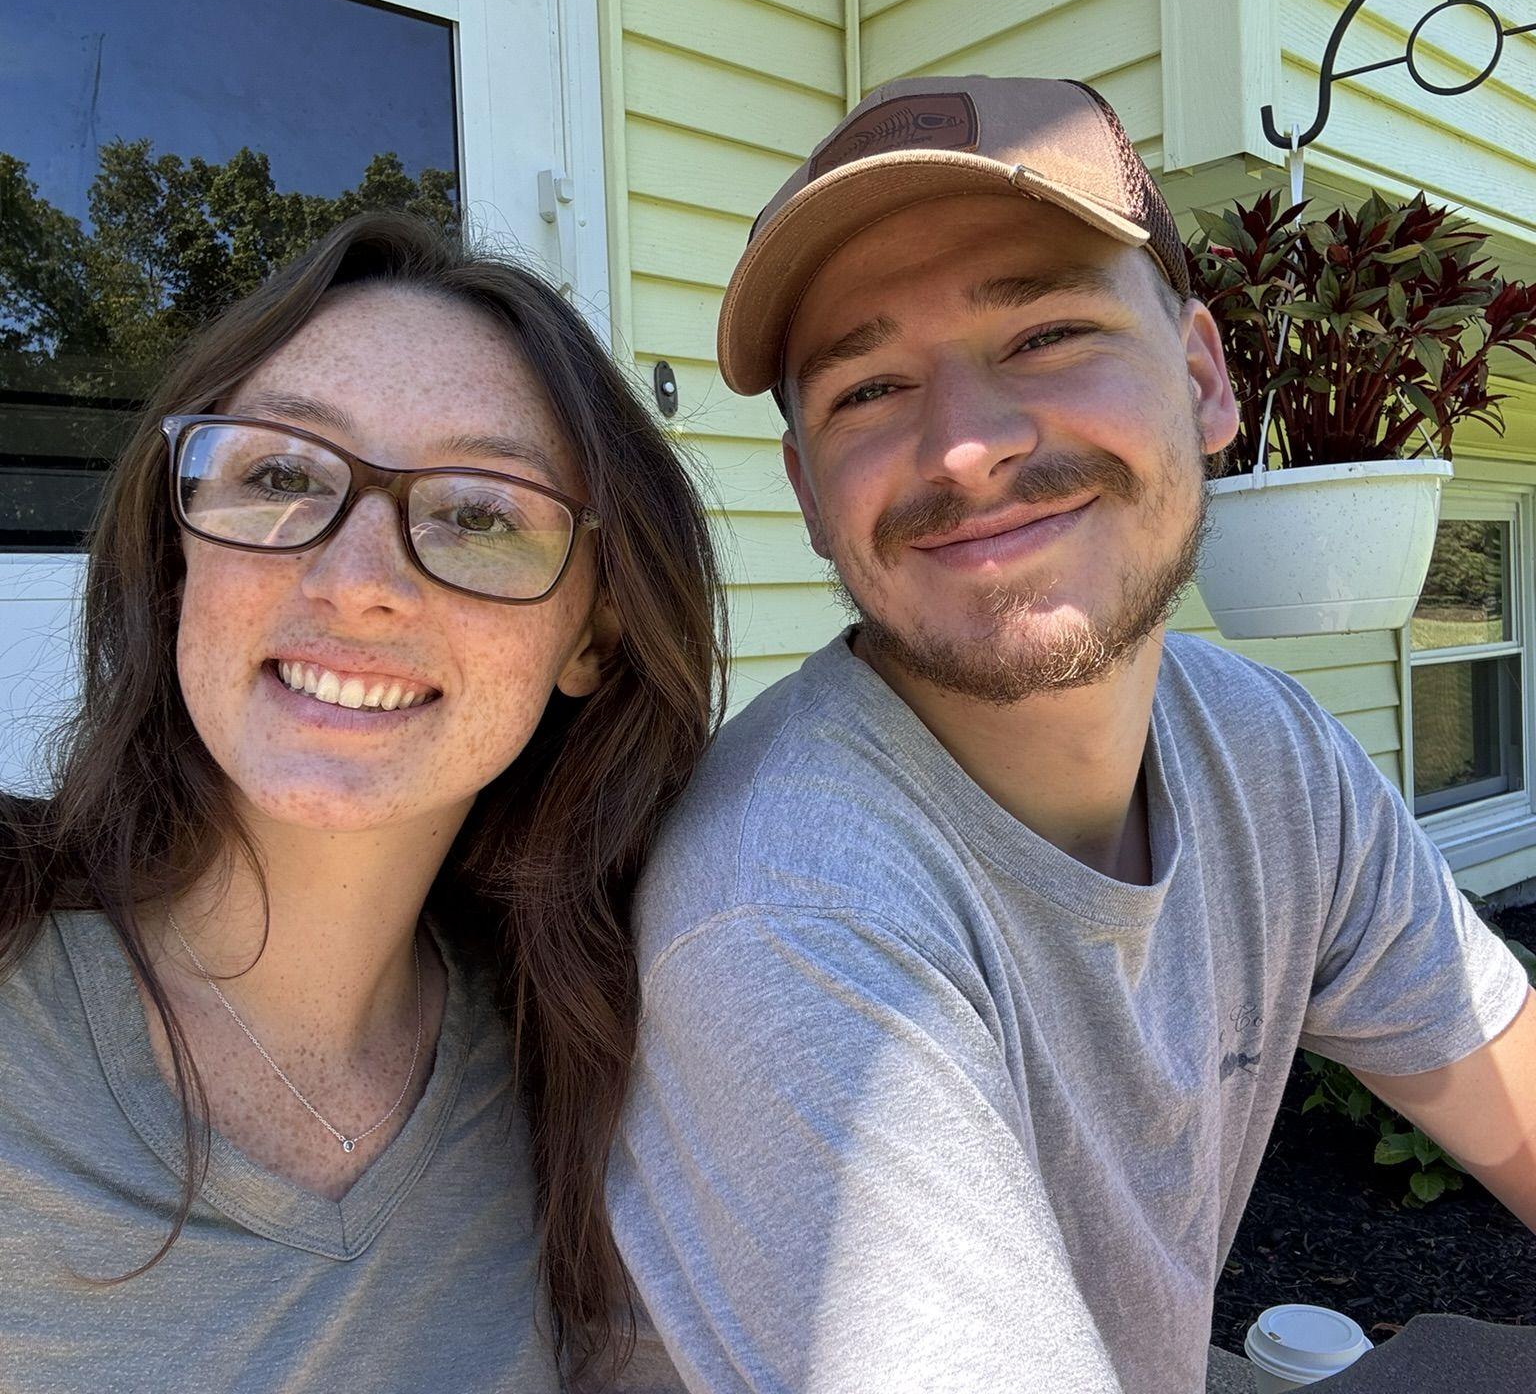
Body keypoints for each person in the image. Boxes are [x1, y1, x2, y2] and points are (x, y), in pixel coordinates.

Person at [602, 77, 1536, 1392]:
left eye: (1044, 332)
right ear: (811, 495)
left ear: (1206, 382)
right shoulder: (785, 920)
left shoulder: (1264, 753)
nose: (968, 447)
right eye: (868, 388)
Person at [0, 212, 725, 1391]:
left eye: (480, 512)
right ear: (182, 557)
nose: (357, 584)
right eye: (281, 474)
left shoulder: (592, 1067)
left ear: (593, 631)